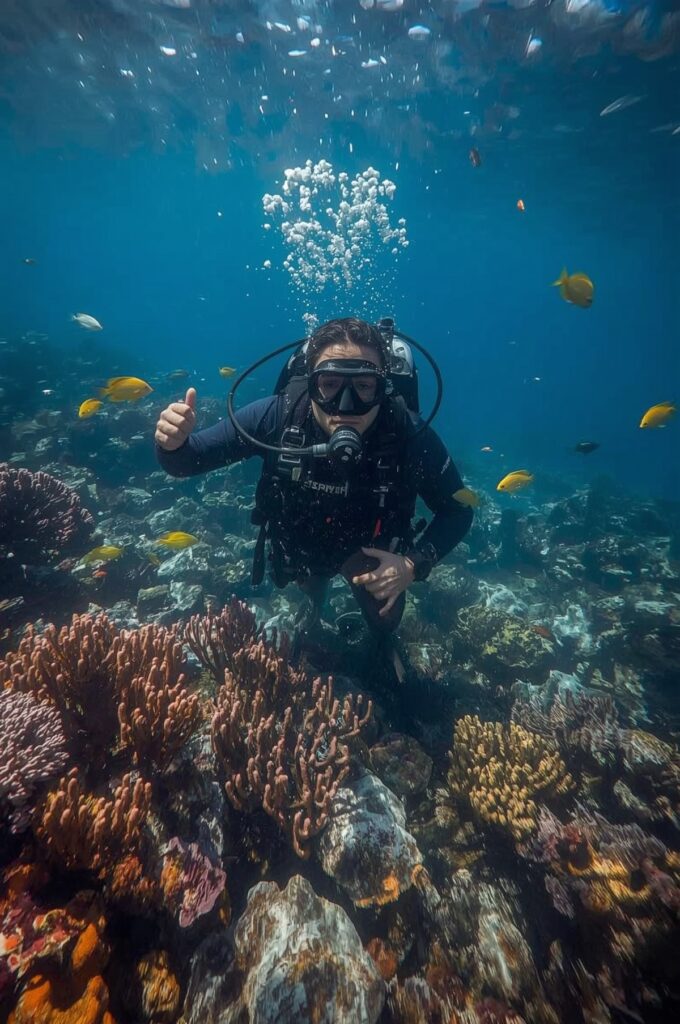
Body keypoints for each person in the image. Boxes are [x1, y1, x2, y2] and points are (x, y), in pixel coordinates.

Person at [154, 317, 473, 683]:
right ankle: (316, 602)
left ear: (383, 388)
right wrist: (172, 443)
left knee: (386, 617)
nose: (345, 405)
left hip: (369, 553)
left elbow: (458, 510)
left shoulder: (409, 434)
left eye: (364, 386)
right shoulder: (277, 415)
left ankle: (381, 642)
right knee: (310, 586)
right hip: (300, 542)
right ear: (311, 382)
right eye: (330, 384)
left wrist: (412, 565)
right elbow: (186, 462)